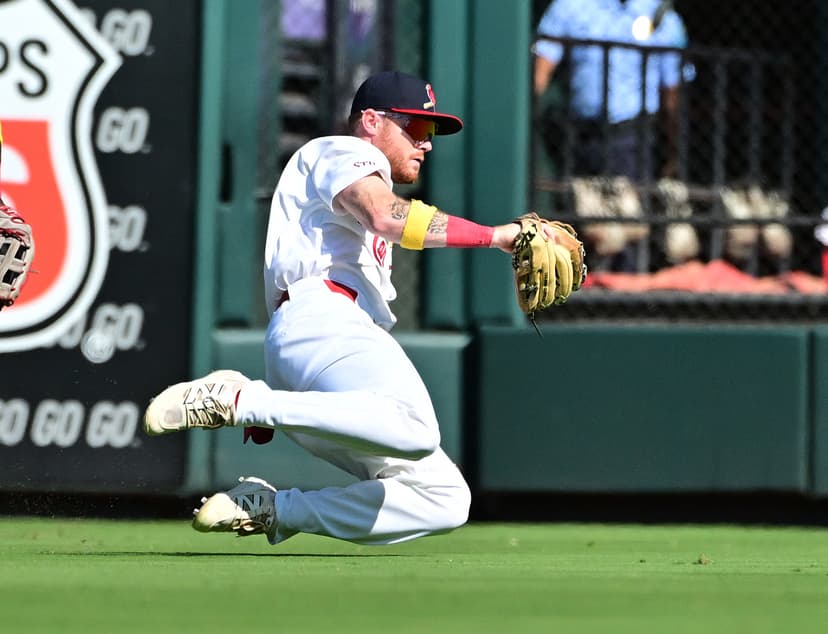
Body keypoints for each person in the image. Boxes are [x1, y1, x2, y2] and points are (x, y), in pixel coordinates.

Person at [143, 71, 542, 546]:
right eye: (416, 128)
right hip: (322, 320)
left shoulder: (364, 175)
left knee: (444, 495)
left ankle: (276, 508)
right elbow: (384, 216)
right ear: (371, 121)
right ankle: (241, 402)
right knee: (415, 427)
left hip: (331, 348)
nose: (427, 143)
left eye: (431, 132)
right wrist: (497, 236)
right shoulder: (343, 151)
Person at [533, 0, 692, 270]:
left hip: (633, 137)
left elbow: (673, 94)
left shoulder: (663, 16)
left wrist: (675, 151)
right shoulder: (570, 6)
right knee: (579, 224)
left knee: (628, 230)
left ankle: (627, 292)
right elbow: (540, 73)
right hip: (578, 137)